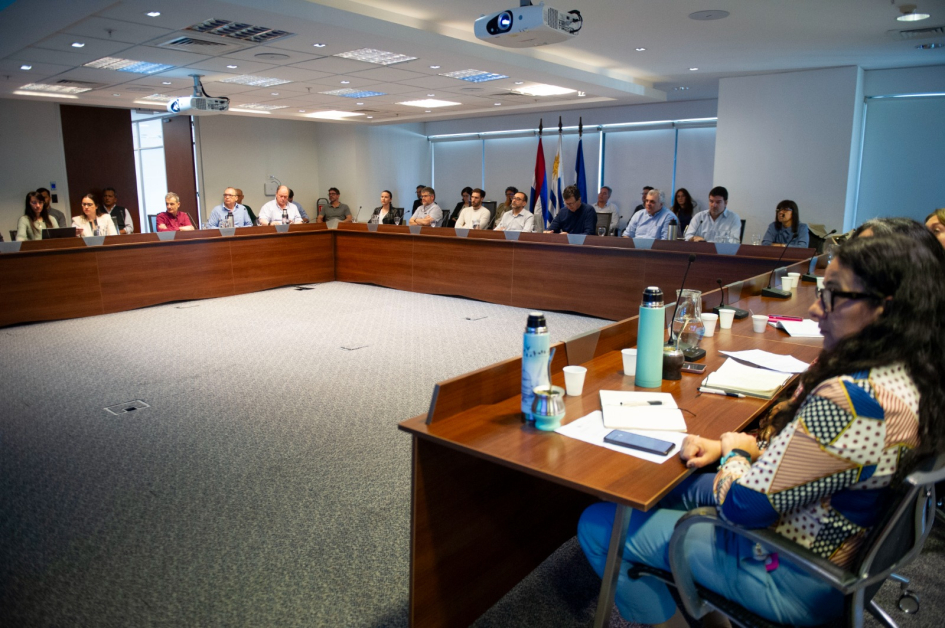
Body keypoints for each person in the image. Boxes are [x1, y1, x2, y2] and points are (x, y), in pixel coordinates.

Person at [578, 234, 945, 628]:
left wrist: (735, 451)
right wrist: (737, 447)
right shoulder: (916, 376)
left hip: (791, 571)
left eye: (833, 296)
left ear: (884, 309)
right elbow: (820, 460)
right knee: (659, 489)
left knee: (600, 525)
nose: (818, 310)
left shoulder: (852, 400)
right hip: (829, 541)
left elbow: (742, 507)